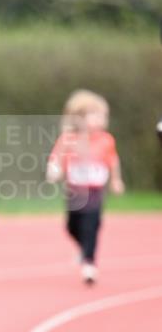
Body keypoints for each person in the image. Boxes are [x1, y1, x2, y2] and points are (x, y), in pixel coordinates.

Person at [46, 89, 124, 284]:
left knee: (91, 225)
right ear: (78, 118)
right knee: (72, 226)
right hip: (74, 190)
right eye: (94, 115)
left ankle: (89, 264)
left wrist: (116, 180)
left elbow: (113, 161)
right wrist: (54, 171)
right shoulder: (68, 139)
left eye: (102, 116)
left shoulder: (106, 140)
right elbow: (57, 158)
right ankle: (84, 249)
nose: (99, 120)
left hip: (94, 191)